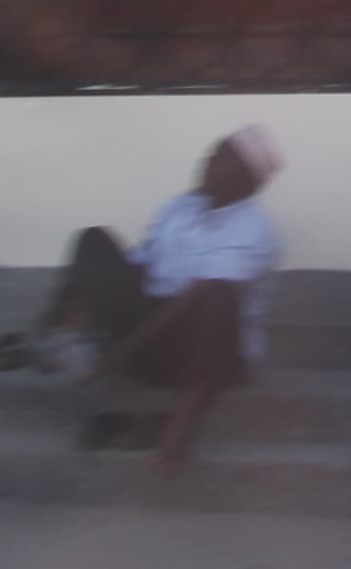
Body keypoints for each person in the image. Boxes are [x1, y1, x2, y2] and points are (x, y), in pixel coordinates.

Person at [33, 128, 284, 470]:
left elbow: (196, 298)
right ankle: (57, 339)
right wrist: (90, 298)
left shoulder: (255, 230)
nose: (206, 161)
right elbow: (142, 264)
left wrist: (119, 352)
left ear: (246, 180)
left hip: (210, 351)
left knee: (217, 295)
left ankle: (180, 427)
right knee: (94, 241)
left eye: (220, 158)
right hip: (154, 333)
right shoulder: (179, 207)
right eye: (210, 153)